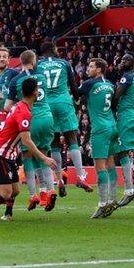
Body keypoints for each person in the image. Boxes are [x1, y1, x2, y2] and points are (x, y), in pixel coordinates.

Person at [0, 78, 57, 228]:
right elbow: (26, 140)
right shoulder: (24, 112)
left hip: (7, 155)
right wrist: (44, 158)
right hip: (0, 154)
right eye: (38, 88)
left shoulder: (19, 106)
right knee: (5, 193)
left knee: (14, 190)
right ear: (35, 92)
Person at [37, 41, 92, 195]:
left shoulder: (38, 66)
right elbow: (74, 86)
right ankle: (80, 176)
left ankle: (59, 179)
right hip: (63, 102)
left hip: (47, 105)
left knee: (54, 143)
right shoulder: (63, 63)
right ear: (54, 50)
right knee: (72, 139)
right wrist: (76, 100)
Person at [6, 50, 57, 211]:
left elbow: (7, 106)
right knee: (43, 156)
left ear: (20, 62)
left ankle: (33, 193)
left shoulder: (15, 80)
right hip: (47, 117)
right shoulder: (42, 75)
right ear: (34, 61)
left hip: (30, 118)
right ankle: (49, 190)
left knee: (27, 156)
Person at [78, 58, 119, 218]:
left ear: (100, 69)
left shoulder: (89, 84)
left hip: (100, 128)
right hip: (112, 125)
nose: (88, 68)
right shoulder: (110, 85)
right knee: (110, 164)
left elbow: (75, 91)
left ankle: (103, 204)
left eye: (91, 66)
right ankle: (112, 199)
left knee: (99, 165)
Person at [112, 54, 134, 207]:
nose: (122, 61)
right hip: (128, 114)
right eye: (122, 59)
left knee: (123, 151)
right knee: (123, 151)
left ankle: (130, 190)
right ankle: (130, 188)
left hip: (126, 115)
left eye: (126, 60)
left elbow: (117, 95)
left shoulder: (128, 77)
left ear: (133, 63)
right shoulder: (132, 77)